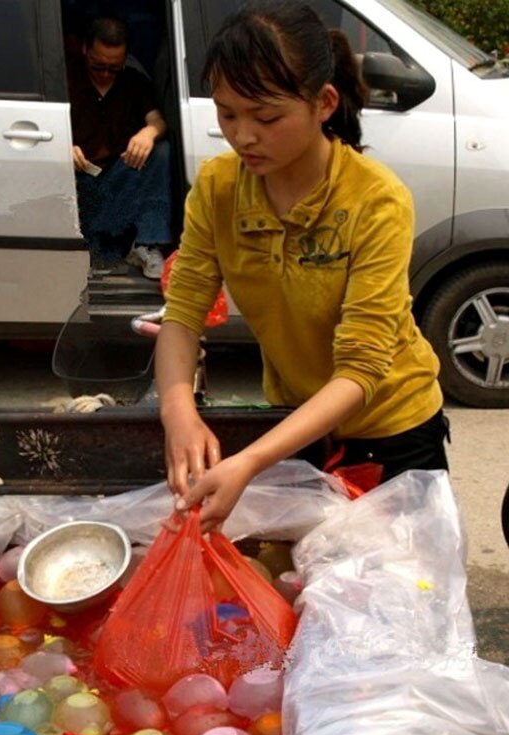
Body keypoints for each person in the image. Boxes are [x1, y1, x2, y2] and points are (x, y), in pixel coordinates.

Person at [156, 0, 449, 532]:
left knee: (396, 594)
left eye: (266, 117)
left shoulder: (375, 200)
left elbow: (361, 369)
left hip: (395, 431)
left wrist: (249, 460)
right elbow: (182, 315)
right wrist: (178, 413)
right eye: (227, 113)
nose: (243, 135)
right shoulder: (219, 189)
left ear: (324, 103)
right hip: (296, 427)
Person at [68, 17, 173, 279]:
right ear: (85, 51)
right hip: (76, 184)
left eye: (113, 68)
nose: (105, 74)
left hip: (118, 180)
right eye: (98, 65)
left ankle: (146, 243)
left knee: (162, 152)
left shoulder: (134, 83)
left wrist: (148, 133)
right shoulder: (66, 78)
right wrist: (63, 148)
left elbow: (157, 120)